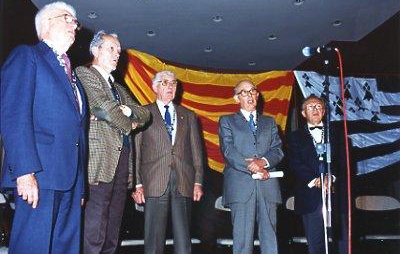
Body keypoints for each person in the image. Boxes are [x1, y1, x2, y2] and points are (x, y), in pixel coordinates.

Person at [0, 1, 87, 253]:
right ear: (46, 24)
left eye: (75, 21)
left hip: (70, 181)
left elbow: (78, 134)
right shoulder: (27, 56)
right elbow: (14, 116)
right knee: (32, 246)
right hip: (39, 175)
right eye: (67, 18)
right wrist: (24, 172)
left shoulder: (75, 78)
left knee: (65, 248)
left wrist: (80, 186)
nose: (75, 25)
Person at [75, 31, 150, 254]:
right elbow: (102, 106)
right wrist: (129, 124)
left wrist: (126, 111)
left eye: (118, 50)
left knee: (112, 229)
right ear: (95, 50)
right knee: (95, 227)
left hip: (122, 162)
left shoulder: (117, 88)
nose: (117, 54)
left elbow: (144, 113)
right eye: (111, 49)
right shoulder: (85, 74)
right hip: (99, 162)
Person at [132, 70, 204, 254]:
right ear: (154, 87)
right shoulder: (143, 113)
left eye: (173, 83)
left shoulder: (188, 115)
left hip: (184, 180)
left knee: (183, 237)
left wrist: (198, 181)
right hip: (154, 180)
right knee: (154, 238)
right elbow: (136, 151)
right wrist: (137, 183)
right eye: (164, 83)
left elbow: (197, 151)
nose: (170, 86)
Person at [218, 80, 284, 254]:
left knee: (270, 235)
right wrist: (252, 167)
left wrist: (262, 163)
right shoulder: (227, 121)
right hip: (240, 186)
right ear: (236, 98)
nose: (250, 95)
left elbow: (277, 150)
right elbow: (228, 151)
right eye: (244, 92)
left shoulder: (270, 122)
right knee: (242, 238)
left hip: (267, 185)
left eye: (253, 91)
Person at [287, 95, 347, 254]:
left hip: (335, 197)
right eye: (310, 107)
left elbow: (343, 161)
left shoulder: (337, 134)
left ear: (324, 111)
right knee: (315, 244)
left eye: (319, 106)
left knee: (342, 243)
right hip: (310, 197)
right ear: (303, 113)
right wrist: (315, 180)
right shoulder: (294, 137)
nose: (315, 109)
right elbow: (294, 163)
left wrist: (331, 177)